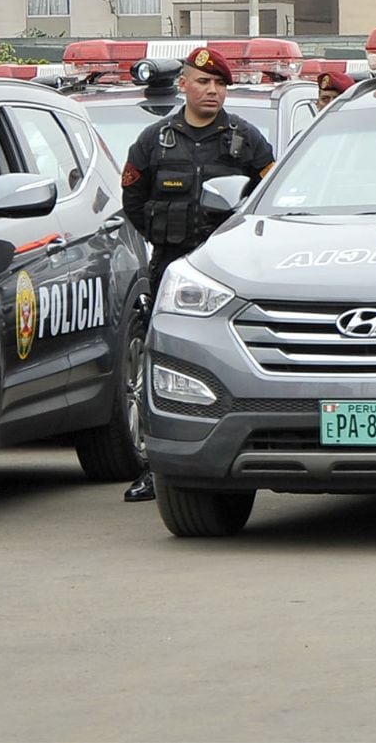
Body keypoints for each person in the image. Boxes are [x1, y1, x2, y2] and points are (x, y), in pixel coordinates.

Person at [118, 46, 275, 502]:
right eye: (204, 83)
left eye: (220, 84)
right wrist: (163, 238)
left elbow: (269, 197)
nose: (213, 91)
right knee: (160, 361)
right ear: (184, 85)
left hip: (230, 273)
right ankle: (155, 465)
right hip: (172, 268)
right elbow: (132, 199)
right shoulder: (155, 140)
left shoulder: (246, 140)